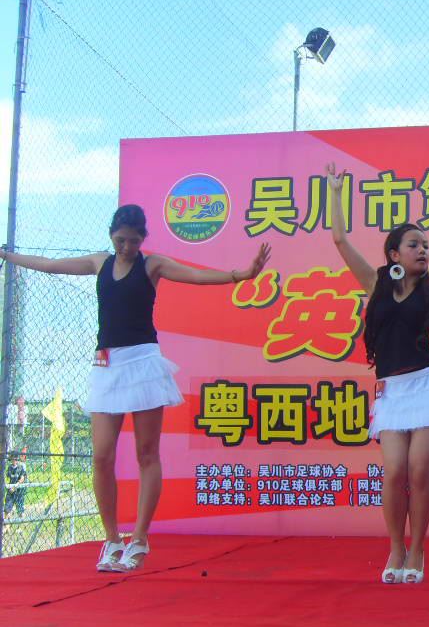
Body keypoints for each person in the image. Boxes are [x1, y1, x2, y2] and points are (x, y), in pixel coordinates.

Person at [0, 205, 270, 571]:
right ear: (111, 236)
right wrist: (6, 255)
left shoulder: (152, 265)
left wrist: (243, 274)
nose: (127, 247)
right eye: (121, 240)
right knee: (102, 456)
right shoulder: (99, 262)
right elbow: (50, 265)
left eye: (134, 241)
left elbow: (196, 276)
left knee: (147, 453)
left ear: (143, 239)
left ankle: (139, 537)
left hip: (142, 361)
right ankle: (111, 539)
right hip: (105, 365)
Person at [326, 162, 429, 584]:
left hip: (426, 387)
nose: (423, 250)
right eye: (414, 244)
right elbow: (340, 240)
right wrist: (335, 191)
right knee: (394, 472)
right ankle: (396, 548)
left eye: (426, 246)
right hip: (391, 392)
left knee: (419, 470)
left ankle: (418, 548)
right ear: (394, 255)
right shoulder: (375, 285)